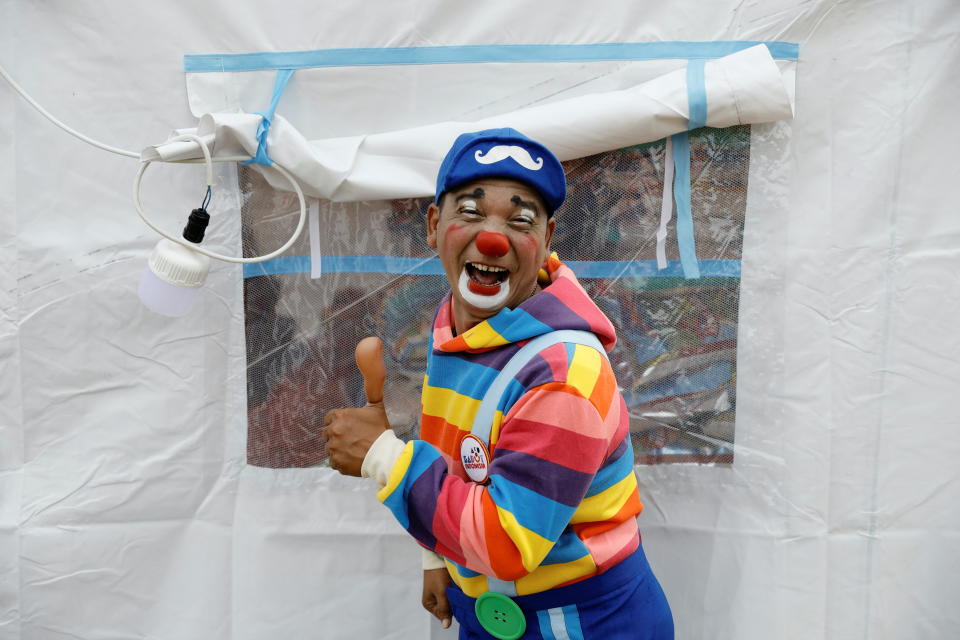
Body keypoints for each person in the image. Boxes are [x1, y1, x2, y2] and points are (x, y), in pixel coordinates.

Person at [323, 128, 674, 639]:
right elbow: (454, 453)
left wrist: (381, 457)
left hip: (584, 623)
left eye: (520, 220)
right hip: (491, 610)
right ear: (433, 224)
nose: (493, 237)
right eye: (470, 212)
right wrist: (437, 557)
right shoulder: (457, 329)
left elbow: (508, 542)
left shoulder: (563, 373)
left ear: (548, 239)